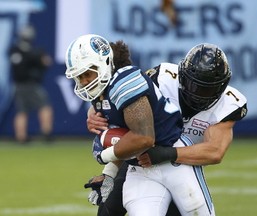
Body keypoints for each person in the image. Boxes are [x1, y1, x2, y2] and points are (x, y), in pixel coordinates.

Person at [85, 43, 248, 215]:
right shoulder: (162, 79)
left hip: (182, 167)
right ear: (182, 75)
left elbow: (215, 151)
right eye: (194, 85)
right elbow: (129, 126)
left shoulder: (229, 104)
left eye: (207, 89)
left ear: (221, 87)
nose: (198, 93)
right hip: (143, 160)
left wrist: (168, 153)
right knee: (109, 208)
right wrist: (96, 113)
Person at [65, 34, 215, 216]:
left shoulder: (125, 82)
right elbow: (124, 136)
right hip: (141, 168)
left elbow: (144, 137)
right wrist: (109, 173)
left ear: (104, 64)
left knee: (197, 212)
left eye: (87, 74)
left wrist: (103, 155)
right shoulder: (101, 96)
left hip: (173, 159)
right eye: (79, 77)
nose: (84, 82)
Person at [9, 25, 53, 143]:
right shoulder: (32, 52)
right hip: (30, 84)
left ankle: (21, 137)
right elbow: (45, 62)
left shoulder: (14, 50)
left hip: (18, 85)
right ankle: (46, 133)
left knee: (21, 111)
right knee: (44, 106)